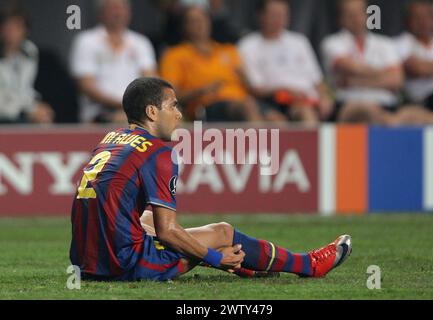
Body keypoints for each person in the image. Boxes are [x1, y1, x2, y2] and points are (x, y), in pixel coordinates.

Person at [69, 77, 352, 282]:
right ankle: (310, 265)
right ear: (152, 112)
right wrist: (216, 257)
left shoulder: (110, 140)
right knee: (222, 233)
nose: (179, 114)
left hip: (86, 263)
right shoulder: (159, 152)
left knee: (145, 219)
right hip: (123, 266)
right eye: (173, 106)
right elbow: (168, 232)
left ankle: (248, 265)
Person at [160, 5, 263, 122]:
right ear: (185, 26)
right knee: (248, 107)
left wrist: (246, 80)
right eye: (194, 21)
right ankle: (260, 140)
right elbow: (169, 96)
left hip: (243, 100)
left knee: (274, 116)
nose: (200, 24)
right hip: (205, 105)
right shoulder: (174, 55)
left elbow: (249, 86)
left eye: (203, 19)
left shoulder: (229, 50)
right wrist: (202, 90)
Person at [238, 0, 333, 124]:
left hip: (307, 100)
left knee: (308, 110)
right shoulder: (247, 45)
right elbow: (254, 87)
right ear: (260, 15)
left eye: (283, 14)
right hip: (272, 102)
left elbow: (317, 79)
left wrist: (324, 97)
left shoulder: (299, 41)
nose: (279, 19)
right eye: (274, 15)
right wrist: (286, 89)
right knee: (298, 115)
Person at [70, 0, 157, 123]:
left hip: (136, 112)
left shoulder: (141, 42)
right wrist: (124, 105)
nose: (118, 13)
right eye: (113, 8)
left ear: (129, 13)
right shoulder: (86, 41)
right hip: (98, 113)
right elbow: (86, 85)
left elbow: (150, 80)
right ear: (100, 13)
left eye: (122, 8)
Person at [0, 2, 54, 124]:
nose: (11, 33)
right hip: (5, 118)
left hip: (22, 117)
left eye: (17, 27)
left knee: (45, 121)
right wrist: (28, 110)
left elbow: (25, 90)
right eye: (7, 27)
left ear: (25, 30)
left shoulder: (30, 51)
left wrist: (37, 108)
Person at [396, 0, 433, 121]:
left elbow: (424, 67)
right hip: (421, 100)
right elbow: (417, 68)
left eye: (427, 17)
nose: (423, 22)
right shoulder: (403, 42)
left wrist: (430, 67)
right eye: (418, 17)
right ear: (408, 20)